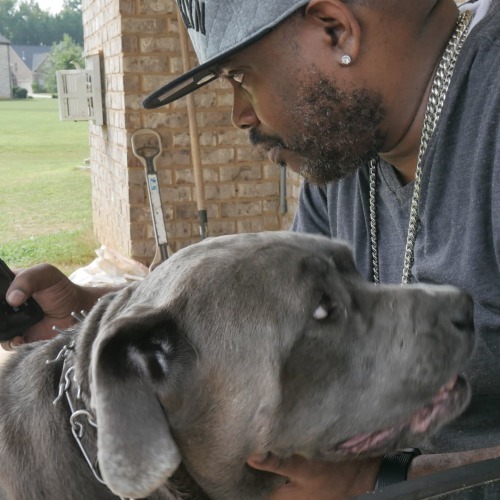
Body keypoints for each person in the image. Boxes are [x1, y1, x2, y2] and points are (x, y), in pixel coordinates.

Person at [3, 0, 500, 497]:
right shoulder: (345, 148)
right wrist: (108, 316)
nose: (240, 114)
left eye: (242, 76)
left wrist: (380, 480)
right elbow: (278, 312)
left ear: (335, 30)